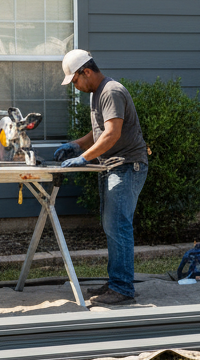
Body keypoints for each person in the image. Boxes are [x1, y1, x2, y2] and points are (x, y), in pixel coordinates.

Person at [53, 48, 148, 306]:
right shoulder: (98, 93)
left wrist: (84, 158)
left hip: (127, 166)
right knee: (112, 226)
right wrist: (75, 145)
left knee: (118, 225)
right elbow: (99, 133)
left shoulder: (111, 91)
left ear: (86, 72)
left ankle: (122, 288)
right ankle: (117, 281)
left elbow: (112, 134)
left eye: (75, 81)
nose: (75, 87)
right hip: (113, 167)